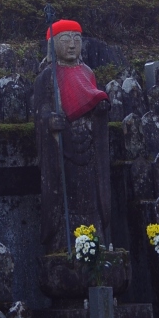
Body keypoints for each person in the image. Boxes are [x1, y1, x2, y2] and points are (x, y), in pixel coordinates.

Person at [32, 19, 111, 252]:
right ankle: (63, 245)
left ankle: (95, 244)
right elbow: (41, 111)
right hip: (63, 149)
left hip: (88, 147)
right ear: (53, 45)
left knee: (91, 198)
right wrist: (49, 121)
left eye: (77, 39)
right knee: (65, 198)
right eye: (65, 40)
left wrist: (100, 111)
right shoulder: (47, 77)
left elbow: (93, 99)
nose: (72, 45)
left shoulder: (88, 72)